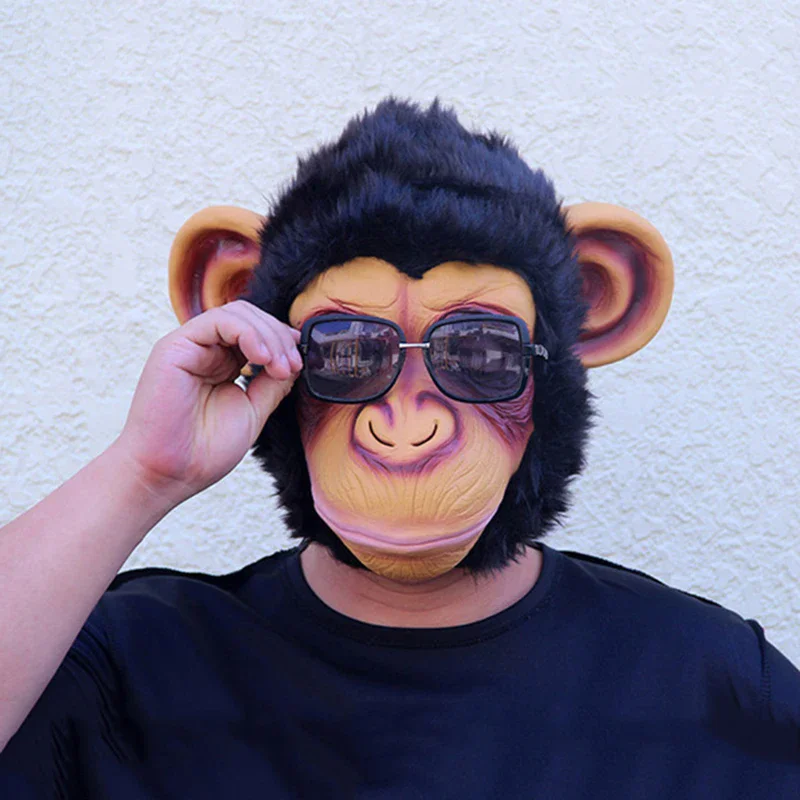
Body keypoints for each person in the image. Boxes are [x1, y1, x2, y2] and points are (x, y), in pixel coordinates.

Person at [1, 99, 798, 798]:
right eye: (348, 353)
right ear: (269, 352)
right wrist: (143, 473)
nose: (407, 424)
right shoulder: (123, 663)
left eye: (479, 352)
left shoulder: (708, 681)